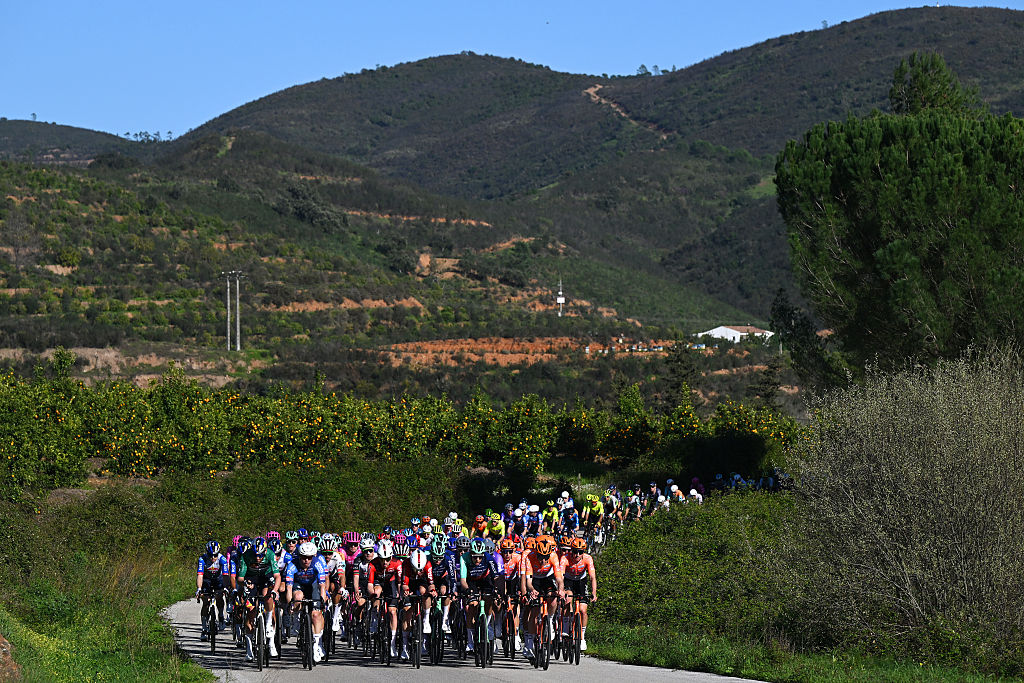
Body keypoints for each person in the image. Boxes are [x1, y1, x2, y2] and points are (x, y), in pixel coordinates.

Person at [236, 536, 282, 659]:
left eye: (260, 555)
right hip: (251, 579)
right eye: (255, 555)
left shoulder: (271, 554)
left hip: (266, 577)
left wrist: (275, 591)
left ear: (265, 551)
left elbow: (277, 576)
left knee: (268, 597)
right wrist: (245, 583)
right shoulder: (246, 555)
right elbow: (240, 578)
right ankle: (249, 649)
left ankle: (269, 632)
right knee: (251, 612)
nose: (258, 558)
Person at [520, 535, 564, 660]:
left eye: (546, 558)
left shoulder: (554, 556)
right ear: (536, 553)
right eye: (540, 557)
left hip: (547, 578)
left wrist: (560, 589)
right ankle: (530, 642)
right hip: (535, 579)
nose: (543, 561)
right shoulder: (529, 557)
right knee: (534, 612)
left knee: (554, 597)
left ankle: (549, 619)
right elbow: (528, 581)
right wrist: (532, 591)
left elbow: (559, 578)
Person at [285, 541, 328, 662]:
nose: (306, 560)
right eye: (304, 557)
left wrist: (322, 601)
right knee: (297, 597)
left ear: (313, 556)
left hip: (313, 586)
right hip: (299, 586)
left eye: (309, 558)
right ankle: (297, 619)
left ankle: (317, 644)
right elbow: (289, 588)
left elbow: (322, 585)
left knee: (315, 614)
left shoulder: (318, 564)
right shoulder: (292, 565)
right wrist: (290, 605)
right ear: (299, 556)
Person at [459, 537, 504, 653]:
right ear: (471, 554)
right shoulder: (464, 558)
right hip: (471, 581)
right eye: (475, 557)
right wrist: (468, 590)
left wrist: (498, 590)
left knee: (489, 599)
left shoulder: (488, 558)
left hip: (485, 580)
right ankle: (470, 641)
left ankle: (487, 624)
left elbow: (496, 576)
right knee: (472, 605)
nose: (478, 560)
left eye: (480, 557)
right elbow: (463, 580)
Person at [559, 537, 597, 650]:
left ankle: (582, 638)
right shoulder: (565, 558)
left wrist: (594, 593)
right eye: (574, 551)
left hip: (581, 581)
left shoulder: (588, 559)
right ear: (571, 551)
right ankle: (565, 629)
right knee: (568, 600)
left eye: (580, 552)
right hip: (568, 580)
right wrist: (561, 590)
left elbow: (592, 577)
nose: (577, 555)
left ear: (583, 552)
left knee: (583, 610)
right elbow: (560, 576)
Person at [196, 540, 230, 641]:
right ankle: (204, 628)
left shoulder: (222, 559)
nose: (213, 558)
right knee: (205, 602)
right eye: (210, 555)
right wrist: (199, 589)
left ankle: (220, 616)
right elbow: (200, 575)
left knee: (219, 596)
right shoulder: (202, 559)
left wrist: (225, 588)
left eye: (215, 555)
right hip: (206, 580)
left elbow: (225, 576)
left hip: (218, 579)